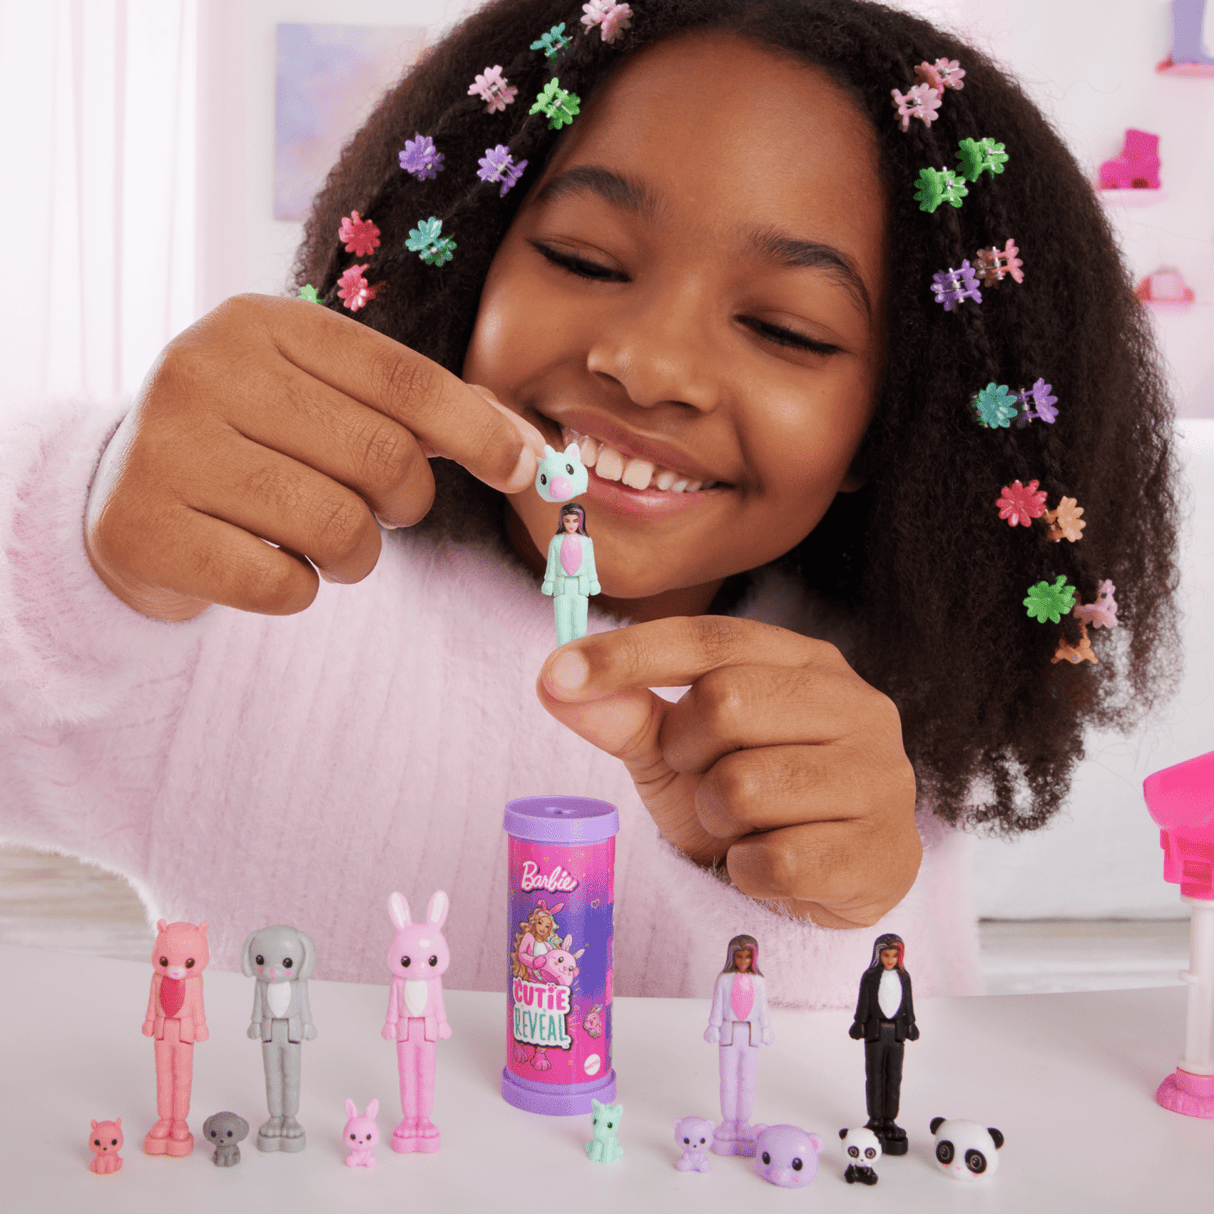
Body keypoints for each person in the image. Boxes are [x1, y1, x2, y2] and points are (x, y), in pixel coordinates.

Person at [0, 0, 1180, 1004]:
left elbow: (861, 1099)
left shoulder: (870, 708)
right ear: (471, 263)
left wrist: (811, 896)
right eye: (584, 259)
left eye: (785, 328)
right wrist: (88, 553)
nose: (647, 366)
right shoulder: (268, 591)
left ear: (890, 424)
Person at [849, 933, 918, 1155]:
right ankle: (875, 1119)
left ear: (900, 956)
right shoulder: (870, 976)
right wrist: (859, 1022)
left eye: (894, 956)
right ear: (878, 955)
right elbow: (863, 1001)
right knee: (875, 1076)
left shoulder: (904, 977)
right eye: (886, 955)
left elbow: (908, 1002)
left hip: (896, 1033)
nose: (890, 960)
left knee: (894, 1077)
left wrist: (910, 1023)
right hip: (875, 1032)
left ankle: (889, 1120)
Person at [703, 934, 772, 1155]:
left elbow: (763, 1007)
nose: (743, 961)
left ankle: (743, 1122)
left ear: (754, 958)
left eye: (748, 957)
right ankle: (728, 1121)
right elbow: (718, 1004)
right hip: (729, 1031)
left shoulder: (759, 981)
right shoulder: (724, 979)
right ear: (732, 957)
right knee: (727, 1080)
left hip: (751, 1033)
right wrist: (713, 1025)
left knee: (747, 1081)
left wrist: (766, 1027)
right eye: (739, 957)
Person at [542, 503, 600, 646]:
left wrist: (593, 581)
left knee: (579, 624)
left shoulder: (586, 541)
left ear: (580, 521)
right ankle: (563, 650)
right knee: (562, 623)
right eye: (567, 521)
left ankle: (577, 648)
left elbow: (590, 563)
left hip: (580, 585)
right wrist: (549, 582)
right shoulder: (556, 541)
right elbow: (552, 564)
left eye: (575, 521)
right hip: (562, 585)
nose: (571, 525)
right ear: (562, 521)